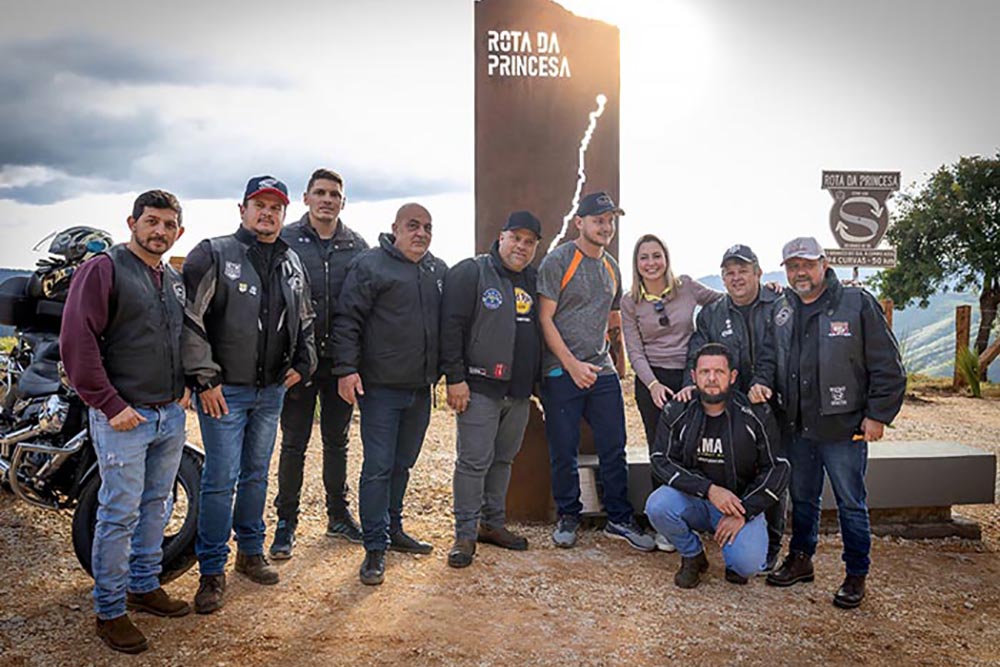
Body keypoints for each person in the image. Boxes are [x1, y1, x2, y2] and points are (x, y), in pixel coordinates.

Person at [62, 190, 191, 653]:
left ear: (179, 231)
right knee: (119, 513)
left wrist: (186, 387)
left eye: (168, 224)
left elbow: (178, 338)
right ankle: (110, 610)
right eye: (151, 221)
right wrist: (110, 404)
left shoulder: (172, 279)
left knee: (157, 504)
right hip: (124, 417)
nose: (159, 231)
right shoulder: (104, 269)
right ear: (132, 222)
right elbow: (78, 341)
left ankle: (143, 585)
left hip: (168, 415)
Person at [182, 176, 316, 613]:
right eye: (259, 205)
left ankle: (250, 552)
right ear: (242, 210)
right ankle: (212, 571)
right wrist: (205, 379)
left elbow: (306, 318)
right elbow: (191, 320)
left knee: (257, 473)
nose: (267, 213)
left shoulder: (293, 262)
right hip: (225, 392)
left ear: (283, 213)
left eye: (275, 207)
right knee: (220, 480)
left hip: (271, 390)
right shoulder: (214, 253)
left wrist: (304, 364)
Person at [765, 237, 905, 609]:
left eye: (807, 264)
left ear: (824, 264)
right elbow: (771, 358)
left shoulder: (856, 304)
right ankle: (801, 559)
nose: (800, 273)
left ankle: (856, 574)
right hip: (798, 428)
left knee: (851, 503)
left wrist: (878, 415)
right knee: (803, 499)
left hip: (845, 428)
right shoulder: (783, 309)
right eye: (792, 266)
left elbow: (887, 366)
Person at [333, 203, 447, 585]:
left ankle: (394, 529)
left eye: (428, 227)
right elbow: (347, 318)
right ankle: (374, 548)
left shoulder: (437, 271)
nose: (421, 233)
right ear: (395, 228)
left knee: (403, 464)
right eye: (413, 226)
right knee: (378, 468)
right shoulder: (371, 265)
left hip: (420, 389)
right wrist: (346, 370)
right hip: (380, 388)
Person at [537, 191, 654, 551]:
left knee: (614, 445)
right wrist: (571, 365)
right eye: (598, 220)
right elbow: (544, 319)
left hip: (600, 370)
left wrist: (615, 363)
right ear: (580, 223)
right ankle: (569, 515)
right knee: (563, 449)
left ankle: (618, 518)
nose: (606, 227)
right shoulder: (559, 261)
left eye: (610, 221)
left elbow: (611, 318)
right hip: (561, 369)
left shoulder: (611, 267)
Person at [269, 169, 368, 560]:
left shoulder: (356, 246)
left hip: (339, 362)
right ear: (307, 198)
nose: (327, 199)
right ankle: (286, 522)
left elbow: (359, 310)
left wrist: (353, 364)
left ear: (343, 202)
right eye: (320, 193)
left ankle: (338, 514)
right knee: (293, 442)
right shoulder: (285, 241)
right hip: (298, 363)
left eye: (334, 194)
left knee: (337, 441)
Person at [439, 211, 542, 568]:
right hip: (478, 387)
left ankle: (492, 524)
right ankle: (464, 535)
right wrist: (454, 378)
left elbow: (537, 334)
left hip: (517, 392)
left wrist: (536, 385)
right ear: (501, 237)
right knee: (473, 462)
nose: (521, 247)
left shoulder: (533, 279)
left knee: (503, 460)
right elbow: (450, 327)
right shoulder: (472, 272)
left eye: (529, 242)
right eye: (516, 238)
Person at [645, 343, 788, 589]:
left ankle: (735, 560)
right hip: (696, 499)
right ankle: (693, 555)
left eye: (719, 372)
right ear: (694, 376)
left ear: (732, 376)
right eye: (704, 372)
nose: (711, 379)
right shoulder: (678, 410)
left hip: (738, 504)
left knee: (748, 565)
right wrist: (709, 489)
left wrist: (743, 511)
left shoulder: (755, 413)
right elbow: (661, 459)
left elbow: (778, 468)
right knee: (657, 505)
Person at [682, 243, 785, 570]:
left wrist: (765, 383)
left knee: (774, 472)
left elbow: (774, 351)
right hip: (728, 408)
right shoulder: (712, 313)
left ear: (758, 272)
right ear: (723, 279)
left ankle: (773, 543)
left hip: (773, 403)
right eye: (730, 272)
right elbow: (698, 353)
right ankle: (735, 526)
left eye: (743, 270)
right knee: (737, 468)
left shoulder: (780, 304)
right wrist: (691, 382)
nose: (736, 277)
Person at [620, 233, 721, 551]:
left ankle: (695, 515)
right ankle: (663, 526)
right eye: (643, 257)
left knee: (692, 448)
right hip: (653, 381)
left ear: (666, 258)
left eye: (656, 255)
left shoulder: (687, 286)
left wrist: (766, 291)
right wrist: (652, 385)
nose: (651, 263)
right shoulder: (630, 301)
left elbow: (723, 300)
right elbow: (634, 351)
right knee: (660, 450)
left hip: (689, 378)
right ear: (636, 264)